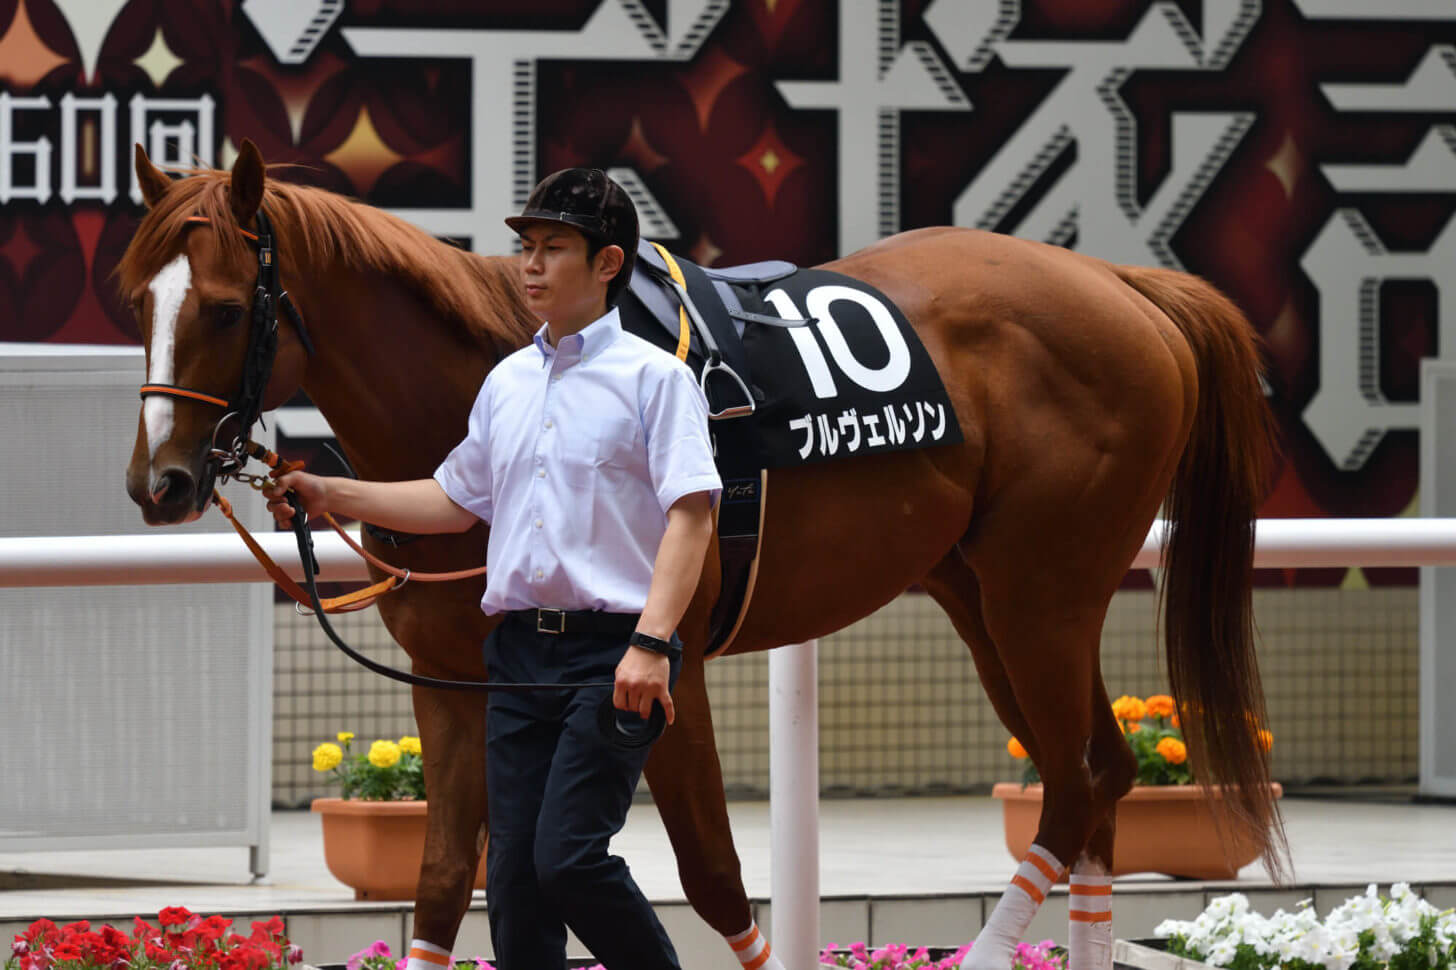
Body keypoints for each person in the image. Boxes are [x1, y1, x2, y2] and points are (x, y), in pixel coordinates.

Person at [264, 168, 720, 970]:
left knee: (568, 861)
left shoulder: (659, 378)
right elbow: (451, 498)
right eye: (525, 248)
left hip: (612, 656)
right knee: (512, 883)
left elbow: (693, 514)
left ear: (608, 263)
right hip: (515, 657)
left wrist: (652, 643)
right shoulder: (507, 381)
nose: (529, 266)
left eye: (553, 248)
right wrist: (327, 488)